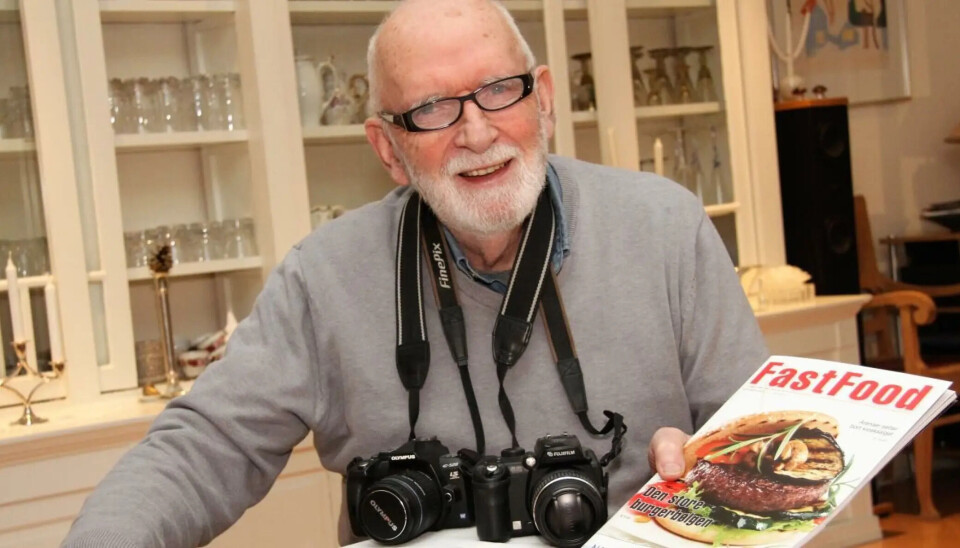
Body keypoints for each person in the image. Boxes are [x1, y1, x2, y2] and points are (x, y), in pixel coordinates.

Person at [63, 1, 768, 546]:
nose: (477, 132)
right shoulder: (326, 276)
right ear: (389, 149)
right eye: (432, 109)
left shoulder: (666, 228)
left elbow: (774, 443)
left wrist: (713, 469)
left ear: (543, 99)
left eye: (499, 89)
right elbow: (203, 449)